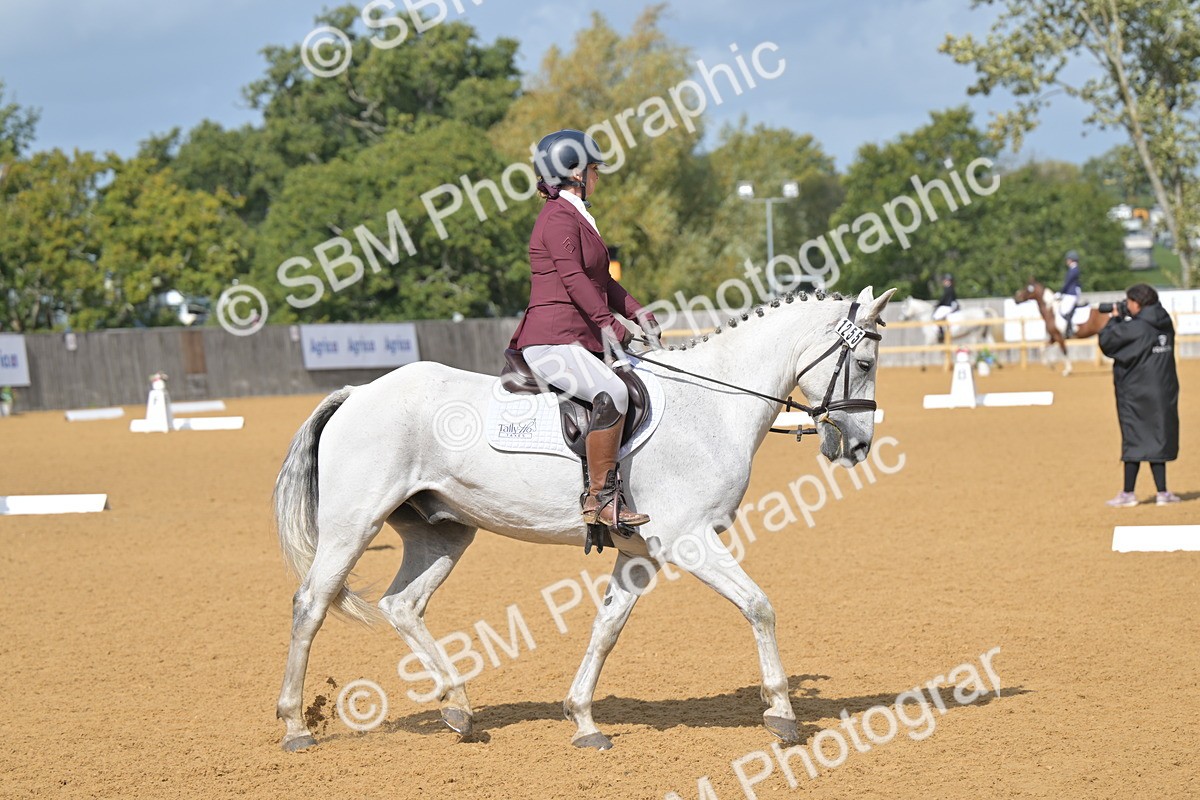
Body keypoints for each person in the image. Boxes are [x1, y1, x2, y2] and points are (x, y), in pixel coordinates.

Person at [508, 129, 659, 532]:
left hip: (576, 339)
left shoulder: (577, 215)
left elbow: (603, 283)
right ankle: (602, 498)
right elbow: (573, 280)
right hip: (552, 339)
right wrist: (611, 325)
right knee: (613, 392)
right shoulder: (557, 217)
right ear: (574, 173)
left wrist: (638, 313)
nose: (598, 177)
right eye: (594, 169)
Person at [1098, 283, 1181, 507]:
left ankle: (1128, 493)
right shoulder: (1164, 322)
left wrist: (1115, 318)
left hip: (1136, 392)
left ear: (1137, 303)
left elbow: (1108, 342)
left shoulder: (1137, 328)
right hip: (1163, 390)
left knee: (1134, 438)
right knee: (1157, 438)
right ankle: (1162, 493)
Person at [1058, 250, 1083, 337]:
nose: (1066, 261)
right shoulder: (1073, 269)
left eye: (1067, 259)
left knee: (1065, 310)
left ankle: (1070, 329)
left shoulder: (1073, 270)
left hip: (1071, 294)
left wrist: (1060, 292)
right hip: (1071, 293)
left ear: (1071, 260)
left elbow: (1068, 283)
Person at [931, 273, 958, 344]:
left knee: (936, 316)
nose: (944, 282)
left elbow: (943, 299)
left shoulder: (948, 289)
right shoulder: (950, 288)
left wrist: (938, 304)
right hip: (950, 305)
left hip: (947, 306)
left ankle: (941, 332)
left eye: (945, 280)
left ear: (948, 281)